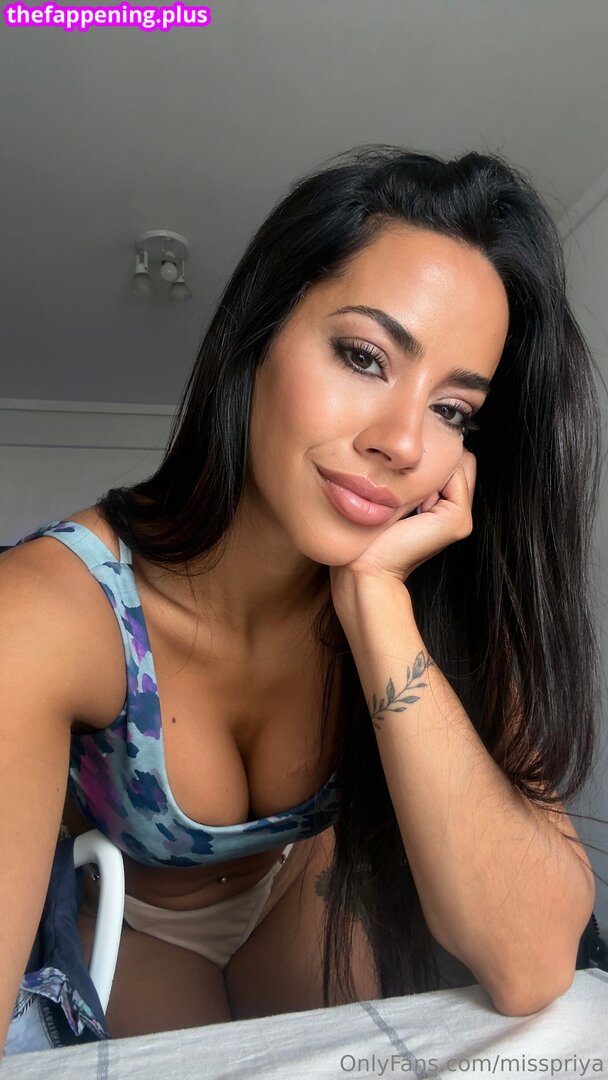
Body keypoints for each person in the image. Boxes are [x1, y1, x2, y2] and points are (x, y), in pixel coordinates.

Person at [0, 145, 602, 1049]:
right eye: (364, 356)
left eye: (453, 410)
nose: (405, 443)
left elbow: (533, 960)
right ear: (259, 338)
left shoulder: (436, 597)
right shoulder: (50, 608)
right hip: (141, 926)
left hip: (307, 892)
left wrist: (377, 605)